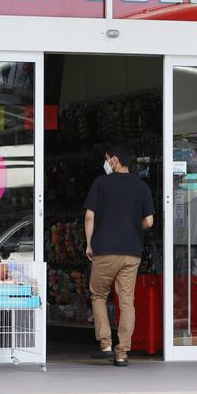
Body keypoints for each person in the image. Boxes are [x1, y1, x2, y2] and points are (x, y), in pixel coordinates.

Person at [83, 143, 154, 367]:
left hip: (104, 250)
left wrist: (88, 244)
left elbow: (89, 216)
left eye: (107, 159)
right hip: (131, 252)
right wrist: (132, 228)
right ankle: (122, 352)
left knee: (99, 296)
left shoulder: (100, 183)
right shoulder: (141, 187)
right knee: (126, 302)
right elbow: (149, 221)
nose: (106, 163)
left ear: (114, 160)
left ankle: (105, 344)